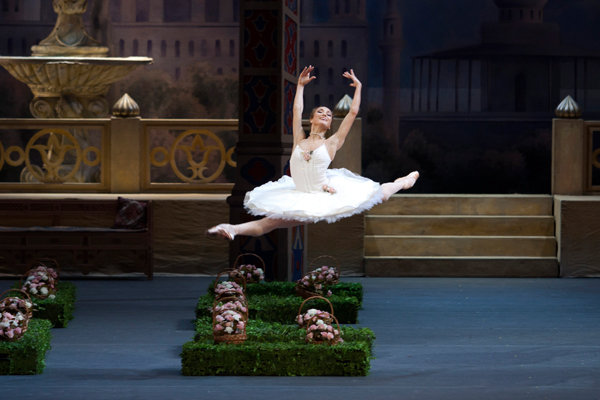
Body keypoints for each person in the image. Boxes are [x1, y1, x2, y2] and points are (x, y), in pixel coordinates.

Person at [206, 66, 419, 240]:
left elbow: (353, 112)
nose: (326, 115)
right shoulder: (299, 139)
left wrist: (359, 87)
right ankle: (231, 228)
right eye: (321, 112)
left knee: (379, 195)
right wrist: (299, 86)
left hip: (321, 196)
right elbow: (296, 110)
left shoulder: (333, 143)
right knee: (268, 223)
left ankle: (403, 181)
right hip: (297, 196)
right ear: (312, 119)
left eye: (329, 114)